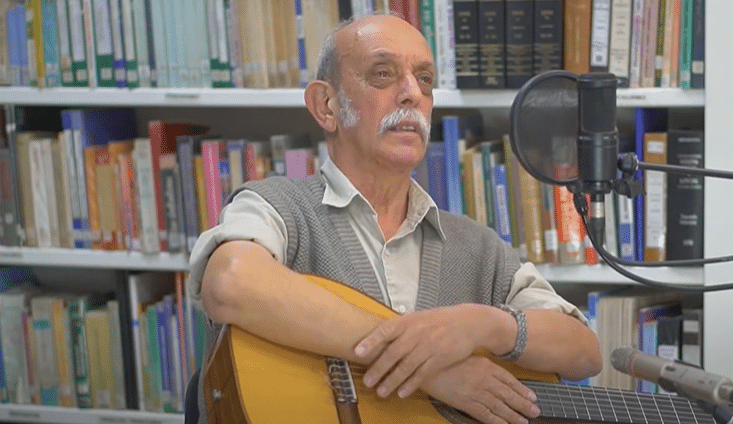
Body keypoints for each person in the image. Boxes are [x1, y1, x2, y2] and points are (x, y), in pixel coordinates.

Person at [188, 13, 602, 424]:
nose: (411, 94)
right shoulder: (277, 205)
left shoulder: (477, 246)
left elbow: (584, 352)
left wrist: (483, 325)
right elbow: (230, 282)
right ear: (326, 105)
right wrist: (432, 370)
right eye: (382, 74)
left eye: (424, 79)